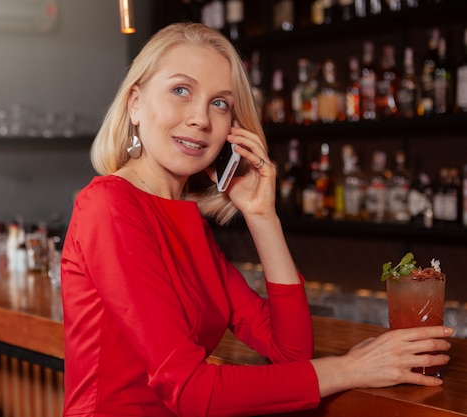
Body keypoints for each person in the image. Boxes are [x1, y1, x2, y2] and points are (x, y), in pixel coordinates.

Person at [60, 22, 453, 416]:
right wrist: (349, 368)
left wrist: (262, 215)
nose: (201, 118)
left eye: (220, 103)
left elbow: (290, 351)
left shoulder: (186, 222)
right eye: (181, 90)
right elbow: (193, 391)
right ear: (135, 104)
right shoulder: (108, 206)